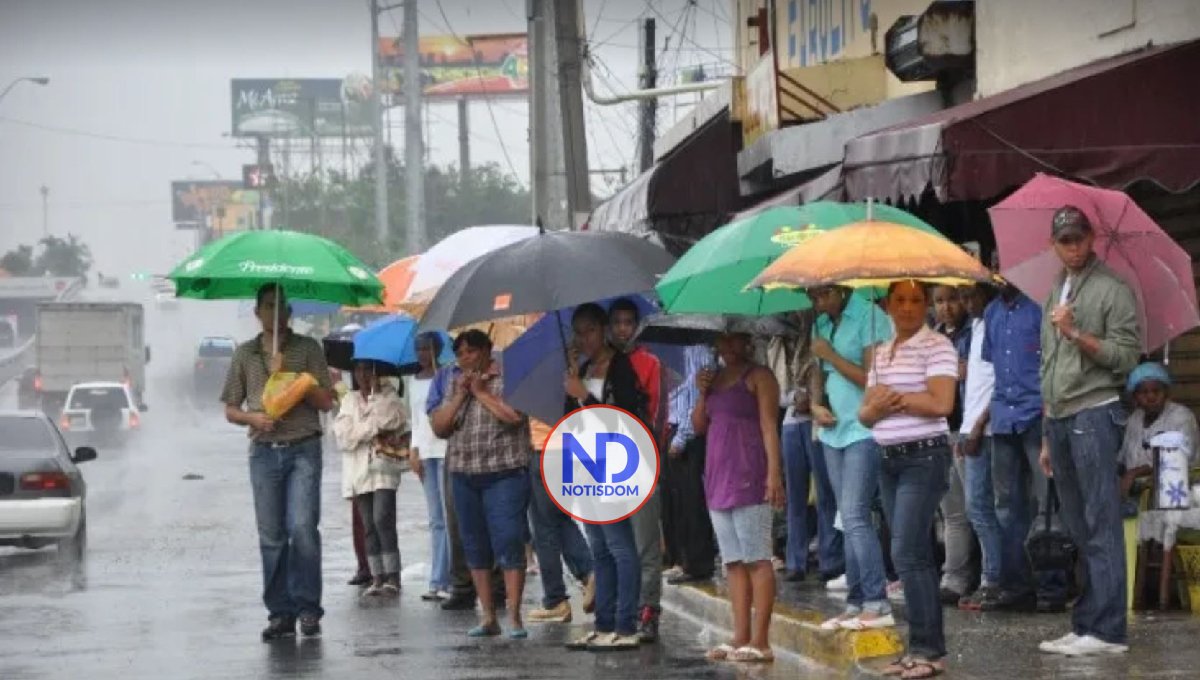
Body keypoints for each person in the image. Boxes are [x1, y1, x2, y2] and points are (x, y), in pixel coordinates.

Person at [1037, 206, 1140, 657]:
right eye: (1065, 240)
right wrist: (1046, 432)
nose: (1073, 247)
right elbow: (1047, 362)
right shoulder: (1055, 289)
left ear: (1092, 237)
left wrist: (1076, 333)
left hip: (1095, 411)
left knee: (1101, 521)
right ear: (1053, 244)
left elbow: (1127, 356)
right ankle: (1087, 623)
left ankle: (1109, 630)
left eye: (1079, 238)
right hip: (1060, 416)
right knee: (1079, 526)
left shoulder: (1112, 289)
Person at [220, 284, 335, 641]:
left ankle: (308, 608)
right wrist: (252, 418)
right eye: (270, 306)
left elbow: (326, 401)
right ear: (258, 312)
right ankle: (280, 612)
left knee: (302, 528)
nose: (277, 312)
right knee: (271, 535)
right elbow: (231, 408)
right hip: (264, 452)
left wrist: (293, 380)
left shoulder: (308, 349)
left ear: (290, 312)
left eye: (283, 306)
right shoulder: (244, 354)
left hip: (303, 449)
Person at [859, 280, 958, 679]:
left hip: (924, 456)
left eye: (916, 300)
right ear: (887, 304)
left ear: (926, 304)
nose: (908, 307)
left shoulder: (938, 346)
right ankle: (916, 647)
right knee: (905, 552)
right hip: (887, 458)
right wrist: (877, 407)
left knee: (908, 552)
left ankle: (928, 651)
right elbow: (865, 415)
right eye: (899, 300)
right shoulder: (882, 352)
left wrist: (891, 400)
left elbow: (941, 402)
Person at [693, 332, 786, 664]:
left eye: (735, 340)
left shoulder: (760, 376)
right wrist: (702, 392)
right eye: (723, 341)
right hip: (718, 477)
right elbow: (699, 425)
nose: (728, 347)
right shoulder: (714, 379)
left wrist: (773, 474)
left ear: (748, 342)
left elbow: (769, 426)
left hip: (749, 473)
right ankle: (740, 635)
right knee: (732, 562)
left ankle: (761, 641)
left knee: (757, 558)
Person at [432, 330, 531, 638]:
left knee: (509, 540)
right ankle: (488, 616)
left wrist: (483, 393)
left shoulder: (510, 376)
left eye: (472, 351)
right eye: (460, 353)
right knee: (473, 544)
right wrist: (462, 395)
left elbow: (514, 416)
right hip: (463, 473)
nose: (466, 358)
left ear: (488, 351)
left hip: (504, 472)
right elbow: (439, 427)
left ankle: (514, 616)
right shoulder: (454, 382)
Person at [563, 303, 649, 651]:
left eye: (591, 330)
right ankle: (603, 623)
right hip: (586, 462)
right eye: (578, 332)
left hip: (614, 462)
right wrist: (573, 385)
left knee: (619, 546)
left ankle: (626, 624)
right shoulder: (582, 370)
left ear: (604, 330)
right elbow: (571, 419)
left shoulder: (620, 366)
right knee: (598, 548)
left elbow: (623, 418)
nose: (584, 338)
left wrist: (584, 395)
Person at [808, 285, 894, 630]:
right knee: (846, 516)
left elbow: (871, 381)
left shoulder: (869, 316)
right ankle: (856, 601)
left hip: (864, 428)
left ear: (840, 288)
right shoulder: (820, 323)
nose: (817, 302)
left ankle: (877, 601)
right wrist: (815, 405)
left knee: (856, 513)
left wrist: (830, 355)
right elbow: (817, 373)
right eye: (812, 297)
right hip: (833, 430)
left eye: (822, 295)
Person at [983, 270, 1069, 613]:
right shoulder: (991, 312)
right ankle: (1016, 586)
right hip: (1003, 417)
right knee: (1006, 506)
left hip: (1037, 414)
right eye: (995, 267)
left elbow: (1053, 362)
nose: (1000, 274)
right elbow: (993, 366)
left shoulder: (1040, 308)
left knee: (1046, 503)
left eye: (1005, 267)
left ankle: (1052, 588)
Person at [607, 297, 666, 642]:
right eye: (617, 322)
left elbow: (656, 411)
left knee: (645, 544)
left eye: (628, 322)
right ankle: (622, 609)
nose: (622, 329)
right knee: (618, 545)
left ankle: (649, 611)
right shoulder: (597, 364)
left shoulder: (649, 363)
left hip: (640, 458)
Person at [334, 359, 408, 597]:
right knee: (368, 525)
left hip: (384, 468)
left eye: (368, 369)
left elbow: (390, 421)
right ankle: (377, 577)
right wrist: (371, 429)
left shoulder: (388, 396)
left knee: (382, 519)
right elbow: (343, 437)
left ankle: (393, 576)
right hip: (358, 471)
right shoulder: (349, 399)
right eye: (358, 369)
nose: (363, 374)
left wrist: (367, 422)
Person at [956, 283, 1004, 611]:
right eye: (963, 297)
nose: (966, 302)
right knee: (977, 508)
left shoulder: (994, 324)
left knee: (981, 507)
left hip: (986, 430)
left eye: (972, 295)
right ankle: (990, 576)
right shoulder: (973, 328)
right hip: (970, 427)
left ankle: (992, 579)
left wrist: (977, 426)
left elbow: (1001, 381)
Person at [931, 284, 977, 605]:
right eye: (939, 301)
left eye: (952, 300)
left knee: (978, 510)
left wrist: (967, 371)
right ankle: (954, 578)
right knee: (952, 512)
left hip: (967, 430)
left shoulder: (973, 332)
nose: (946, 307)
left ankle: (986, 576)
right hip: (940, 431)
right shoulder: (933, 338)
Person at [526, 413, 596, 623]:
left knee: (545, 529)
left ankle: (555, 599)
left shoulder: (535, 392)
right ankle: (589, 573)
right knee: (561, 518)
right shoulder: (565, 390)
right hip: (567, 448)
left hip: (543, 448)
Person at [661, 344, 718, 585]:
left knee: (691, 501)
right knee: (675, 502)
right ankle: (681, 559)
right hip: (671, 427)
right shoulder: (670, 350)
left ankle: (698, 562)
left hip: (688, 433)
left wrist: (682, 437)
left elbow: (695, 397)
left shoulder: (699, 351)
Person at [405, 332, 452, 601]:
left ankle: (448, 579)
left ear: (438, 349)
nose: (423, 353)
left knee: (449, 517)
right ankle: (437, 580)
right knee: (435, 520)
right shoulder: (413, 381)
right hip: (425, 453)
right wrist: (413, 450)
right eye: (419, 349)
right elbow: (415, 419)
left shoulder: (447, 376)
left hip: (445, 449)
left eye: (427, 348)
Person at [1119, 363, 1199, 498]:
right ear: (1135, 396)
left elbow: (1178, 459)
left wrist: (1134, 473)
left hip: (1175, 491)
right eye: (1144, 392)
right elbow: (1124, 458)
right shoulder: (1134, 419)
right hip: (1138, 492)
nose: (1151, 397)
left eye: (1156, 391)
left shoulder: (1181, 416)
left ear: (1166, 393)